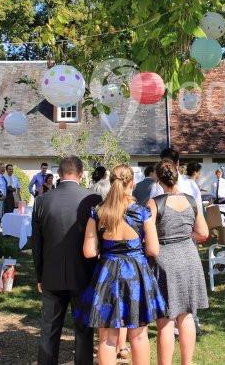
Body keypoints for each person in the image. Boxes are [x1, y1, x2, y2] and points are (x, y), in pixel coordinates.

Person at [74, 165, 166, 365]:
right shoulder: (142, 213)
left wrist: (106, 250)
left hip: (107, 273)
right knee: (139, 335)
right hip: (136, 273)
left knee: (107, 338)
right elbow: (153, 250)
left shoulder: (98, 213)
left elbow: (89, 251)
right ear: (131, 183)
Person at [32, 156, 102, 365]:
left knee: (49, 329)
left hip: (51, 273)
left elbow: (37, 244)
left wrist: (39, 274)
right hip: (84, 273)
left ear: (60, 173)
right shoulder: (93, 199)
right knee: (83, 330)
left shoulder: (42, 200)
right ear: (81, 173)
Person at [148, 160, 209, 365]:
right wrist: (185, 234)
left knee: (165, 320)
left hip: (165, 260)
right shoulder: (191, 200)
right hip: (189, 257)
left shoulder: (154, 203)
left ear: (158, 179)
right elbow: (203, 233)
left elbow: (150, 242)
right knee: (187, 315)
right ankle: (187, 363)